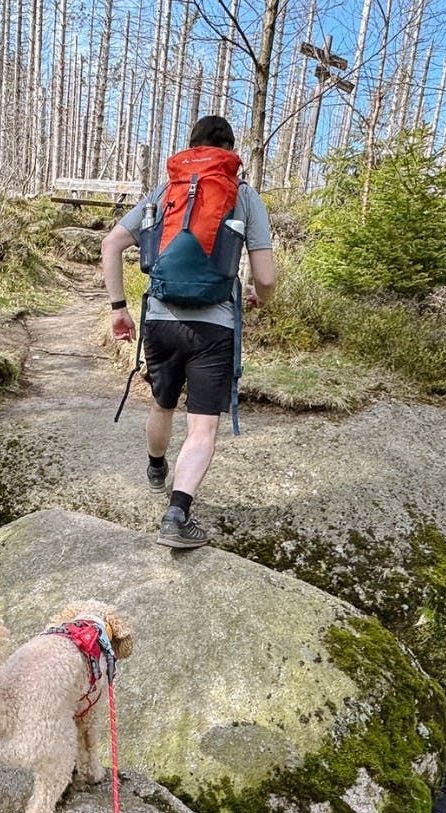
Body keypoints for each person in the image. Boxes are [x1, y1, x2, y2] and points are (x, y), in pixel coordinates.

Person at [100, 115, 276, 549]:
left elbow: (111, 244)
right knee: (202, 428)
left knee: (162, 404)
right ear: (231, 151)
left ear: (191, 147)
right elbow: (266, 277)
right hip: (214, 326)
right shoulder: (245, 196)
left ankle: (156, 467)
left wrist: (119, 310)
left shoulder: (166, 191)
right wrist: (260, 298)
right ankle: (178, 514)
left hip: (160, 319)